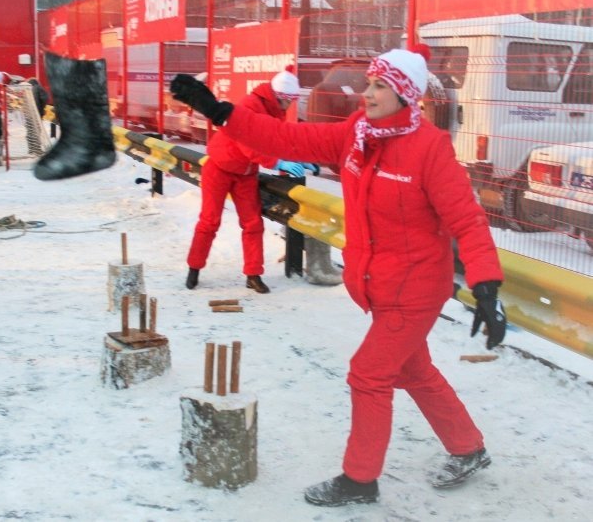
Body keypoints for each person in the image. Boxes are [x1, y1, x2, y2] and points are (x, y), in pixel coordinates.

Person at [170, 45, 507, 506]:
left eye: (379, 86)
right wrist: (220, 111)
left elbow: (466, 220)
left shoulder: (429, 149)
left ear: (405, 95)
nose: (366, 93)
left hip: (416, 288)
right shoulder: (357, 134)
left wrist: (486, 284)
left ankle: (359, 480)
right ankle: (468, 448)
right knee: (412, 368)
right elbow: (287, 140)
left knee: (367, 374)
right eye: (369, 82)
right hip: (380, 284)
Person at [185, 67, 318, 294]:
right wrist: (277, 163)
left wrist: (298, 157)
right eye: (289, 101)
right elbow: (247, 144)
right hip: (220, 166)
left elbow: (279, 139)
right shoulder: (248, 106)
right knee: (210, 221)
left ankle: (253, 274)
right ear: (279, 97)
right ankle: (194, 268)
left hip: (246, 174)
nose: (290, 106)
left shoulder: (276, 111)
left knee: (253, 223)